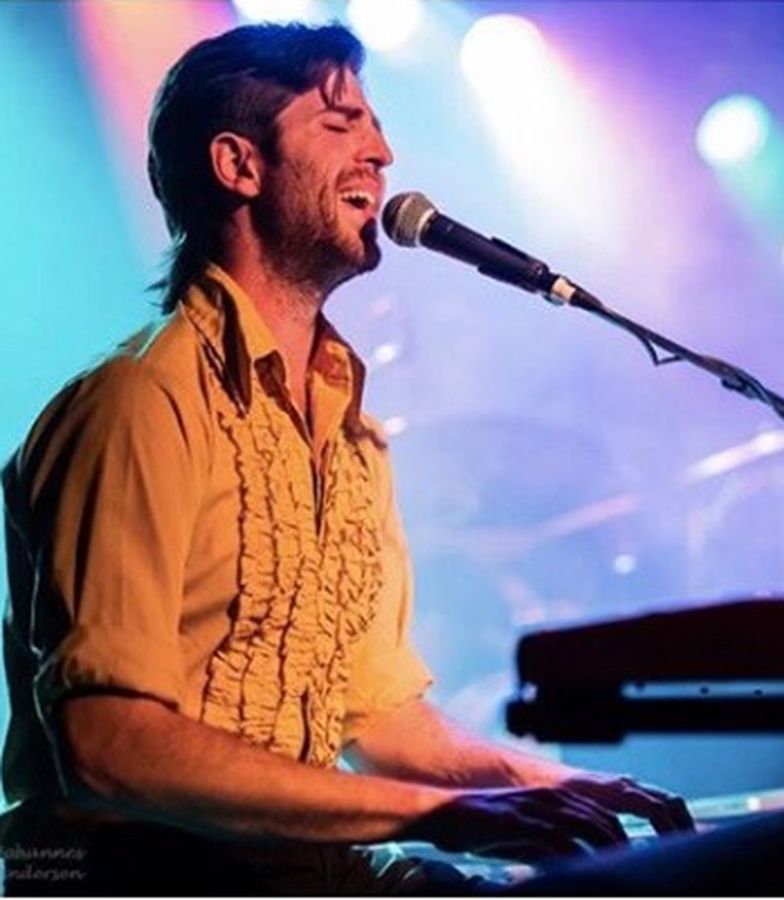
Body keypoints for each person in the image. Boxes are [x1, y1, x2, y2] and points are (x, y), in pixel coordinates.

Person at [0, 22, 693, 895]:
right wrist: (442, 814)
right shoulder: (140, 405)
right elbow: (109, 746)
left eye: (376, 125)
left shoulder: (351, 433)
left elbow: (381, 719)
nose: (383, 153)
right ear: (238, 165)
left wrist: (556, 786)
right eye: (340, 124)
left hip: (307, 869)